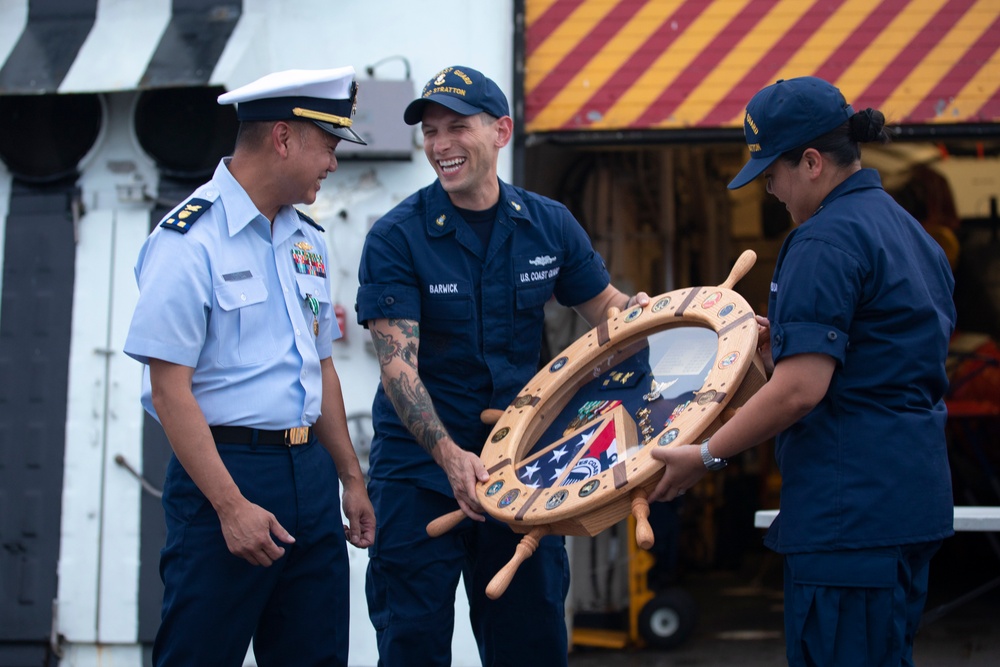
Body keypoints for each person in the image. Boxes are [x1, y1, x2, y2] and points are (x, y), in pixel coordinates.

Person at [649, 76, 956, 666]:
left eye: (771, 175)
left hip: (849, 519)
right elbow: (876, 364)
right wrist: (774, 352)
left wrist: (707, 453)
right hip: (908, 503)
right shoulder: (913, 234)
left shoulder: (823, 240)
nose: (770, 192)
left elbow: (798, 393)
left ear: (811, 162)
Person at [355, 65, 648, 666]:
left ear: (501, 132)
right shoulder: (397, 237)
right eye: (431, 131)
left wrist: (652, 317)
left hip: (525, 466)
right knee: (413, 643)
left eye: (456, 127)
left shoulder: (547, 224)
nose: (439, 145)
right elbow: (398, 369)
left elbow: (609, 314)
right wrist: (448, 457)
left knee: (532, 640)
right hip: (419, 475)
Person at [123, 66, 375, 667]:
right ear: (283, 138)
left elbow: (322, 369)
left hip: (309, 479)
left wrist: (350, 479)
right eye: (329, 144)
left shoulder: (307, 239)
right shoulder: (188, 241)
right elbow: (169, 391)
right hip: (225, 477)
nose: (333, 163)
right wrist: (230, 507)